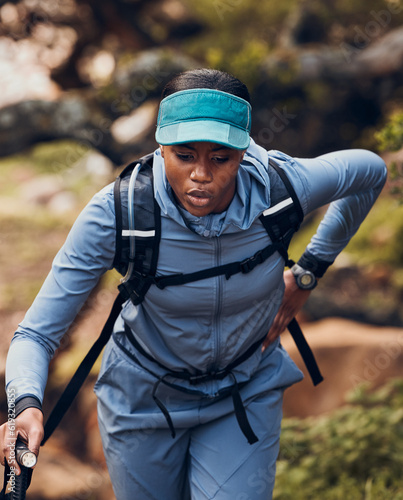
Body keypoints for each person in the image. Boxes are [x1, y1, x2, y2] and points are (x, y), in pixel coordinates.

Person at [1, 68, 387, 499]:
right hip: (143, 399)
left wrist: (308, 272)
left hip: (243, 390)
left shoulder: (282, 189)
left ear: (243, 152)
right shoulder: (118, 214)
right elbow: (36, 332)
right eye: (184, 156)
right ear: (161, 148)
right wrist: (26, 404)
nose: (201, 175)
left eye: (220, 158)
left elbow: (369, 172)